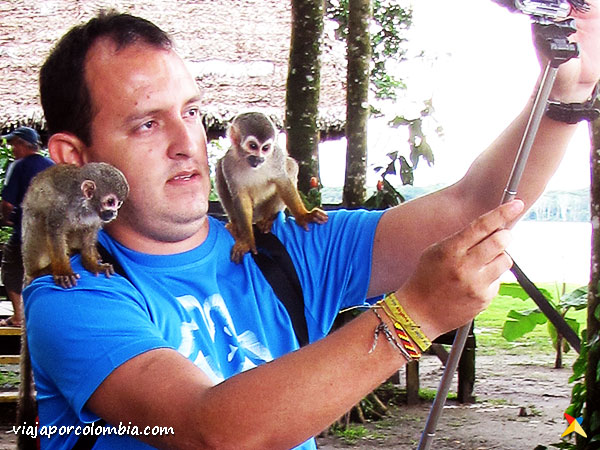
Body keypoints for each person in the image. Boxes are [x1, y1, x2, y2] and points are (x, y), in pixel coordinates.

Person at [22, 4, 600, 449]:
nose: (185, 144)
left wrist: (566, 93)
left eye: (192, 112)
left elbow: (470, 204)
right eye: (147, 124)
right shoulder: (73, 294)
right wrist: (415, 315)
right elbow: (208, 433)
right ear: (75, 158)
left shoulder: (286, 248)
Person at [0, 127, 53, 327]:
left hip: (25, 231)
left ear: (23, 144)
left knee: (11, 270)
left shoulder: (18, 166)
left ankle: (18, 316)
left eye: (14, 144)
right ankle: (43, 317)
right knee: (44, 273)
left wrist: (6, 219)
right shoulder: (52, 166)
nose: (12, 148)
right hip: (50, 234)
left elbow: (7, 204)